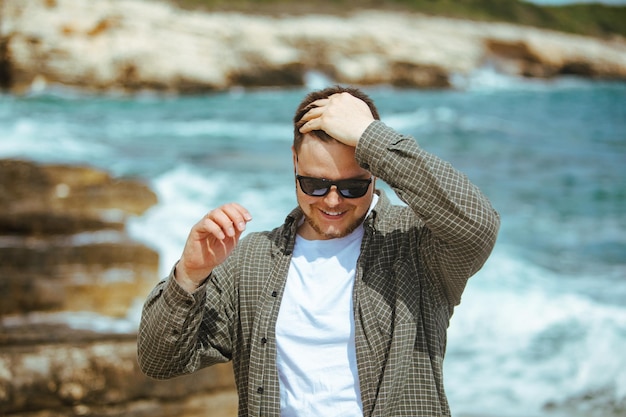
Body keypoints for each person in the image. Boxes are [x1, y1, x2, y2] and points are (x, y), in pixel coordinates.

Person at [137, 85, 500, 417]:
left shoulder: (419, 246)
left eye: (353, 187)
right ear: (294, 162)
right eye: (314, 183)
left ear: (376, 171)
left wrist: (372, 137)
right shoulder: (250, 260)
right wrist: (189, 275)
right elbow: (159, 361)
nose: (331, 201)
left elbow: (479, 224)